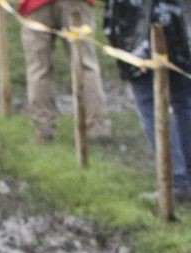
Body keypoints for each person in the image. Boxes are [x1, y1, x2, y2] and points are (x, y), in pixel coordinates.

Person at [103, 0, 191, 200]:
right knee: (184, 101)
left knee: (151, 102)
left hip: (140, 24)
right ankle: (181, 179)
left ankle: (176, 181)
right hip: (181, 22)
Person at [19, 0, 114, 142]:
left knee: (39, 69)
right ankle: (98, 128)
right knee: (85, 65)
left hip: (36, 4)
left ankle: (44, 130)